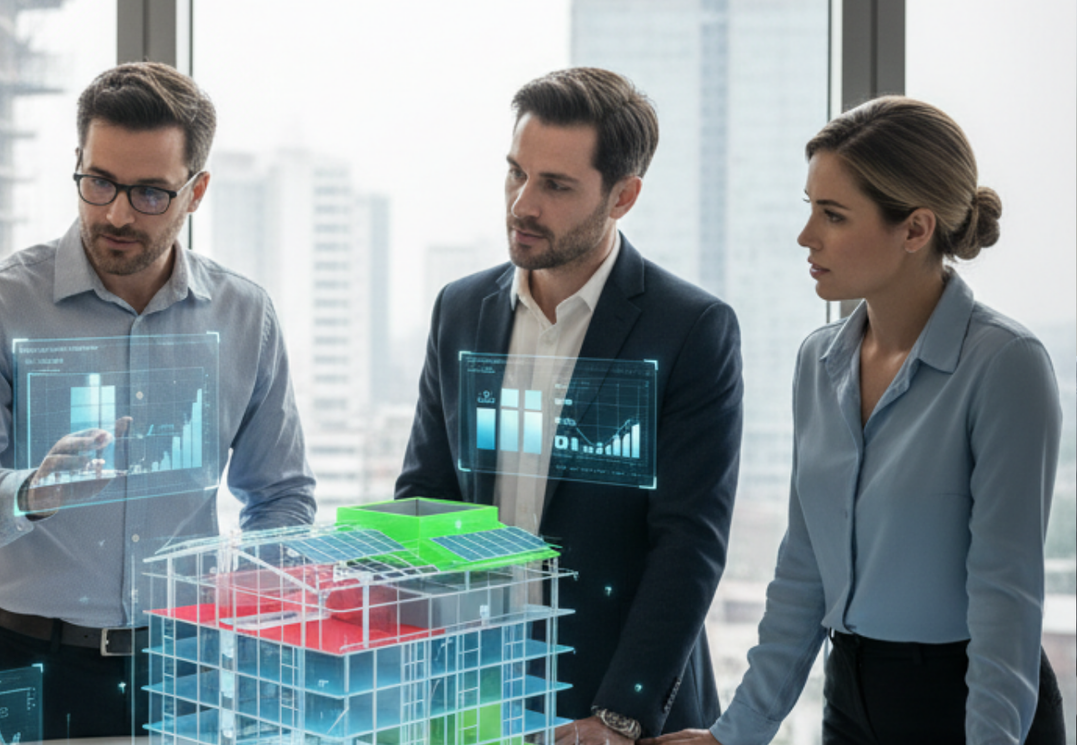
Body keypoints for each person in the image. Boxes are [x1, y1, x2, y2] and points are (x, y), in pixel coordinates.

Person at [0, 61, 316, 738]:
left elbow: (282, 497)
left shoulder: (246, 316)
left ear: (198, 190)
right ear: (77, 163)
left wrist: (255, 599)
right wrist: (28, 493)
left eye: (151, 193)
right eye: (98, 183)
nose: (116, 213)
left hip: (188, 668)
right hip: (27, 664)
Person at [652, 97, 1066, 745]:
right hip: (849, 699)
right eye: (809, 207)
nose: (806, 236)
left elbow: (1004, 603)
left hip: (969, 710)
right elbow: (803, 574)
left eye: (833, 215)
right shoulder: (818, 361)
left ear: (915, 228)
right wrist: (733, 735)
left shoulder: (1006, 367)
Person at [395, 67, 744, 741]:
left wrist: (618, 716)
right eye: (515, 174)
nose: (523, 204)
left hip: (619, 711)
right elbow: (428, 493)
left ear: (623, 196)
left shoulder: (690, 329)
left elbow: (689, 543)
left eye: (555, 186)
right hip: (479, 699)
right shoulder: (461, 310)